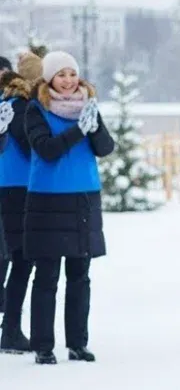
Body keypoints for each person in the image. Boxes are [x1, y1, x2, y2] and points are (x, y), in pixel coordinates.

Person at [24, 52, 114, 364]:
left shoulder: (87, 106)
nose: (68, 80)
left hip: (84, 198)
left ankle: (78, 343)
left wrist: (94, 126)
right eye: (60, 74)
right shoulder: (37, 109)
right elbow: (46, 150)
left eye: (72, 73)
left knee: (80, 276)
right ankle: (43, 346)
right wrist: (78, 131)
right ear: (49, 78)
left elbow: (105, 149)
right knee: (47, 276)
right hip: (48, 199)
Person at [0, 51, 41, 354]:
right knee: (22, 260)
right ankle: (11, 330)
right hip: (17, 189)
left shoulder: (6, 104)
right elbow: (31, 149)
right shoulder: (22, 108)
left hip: (8, 187)